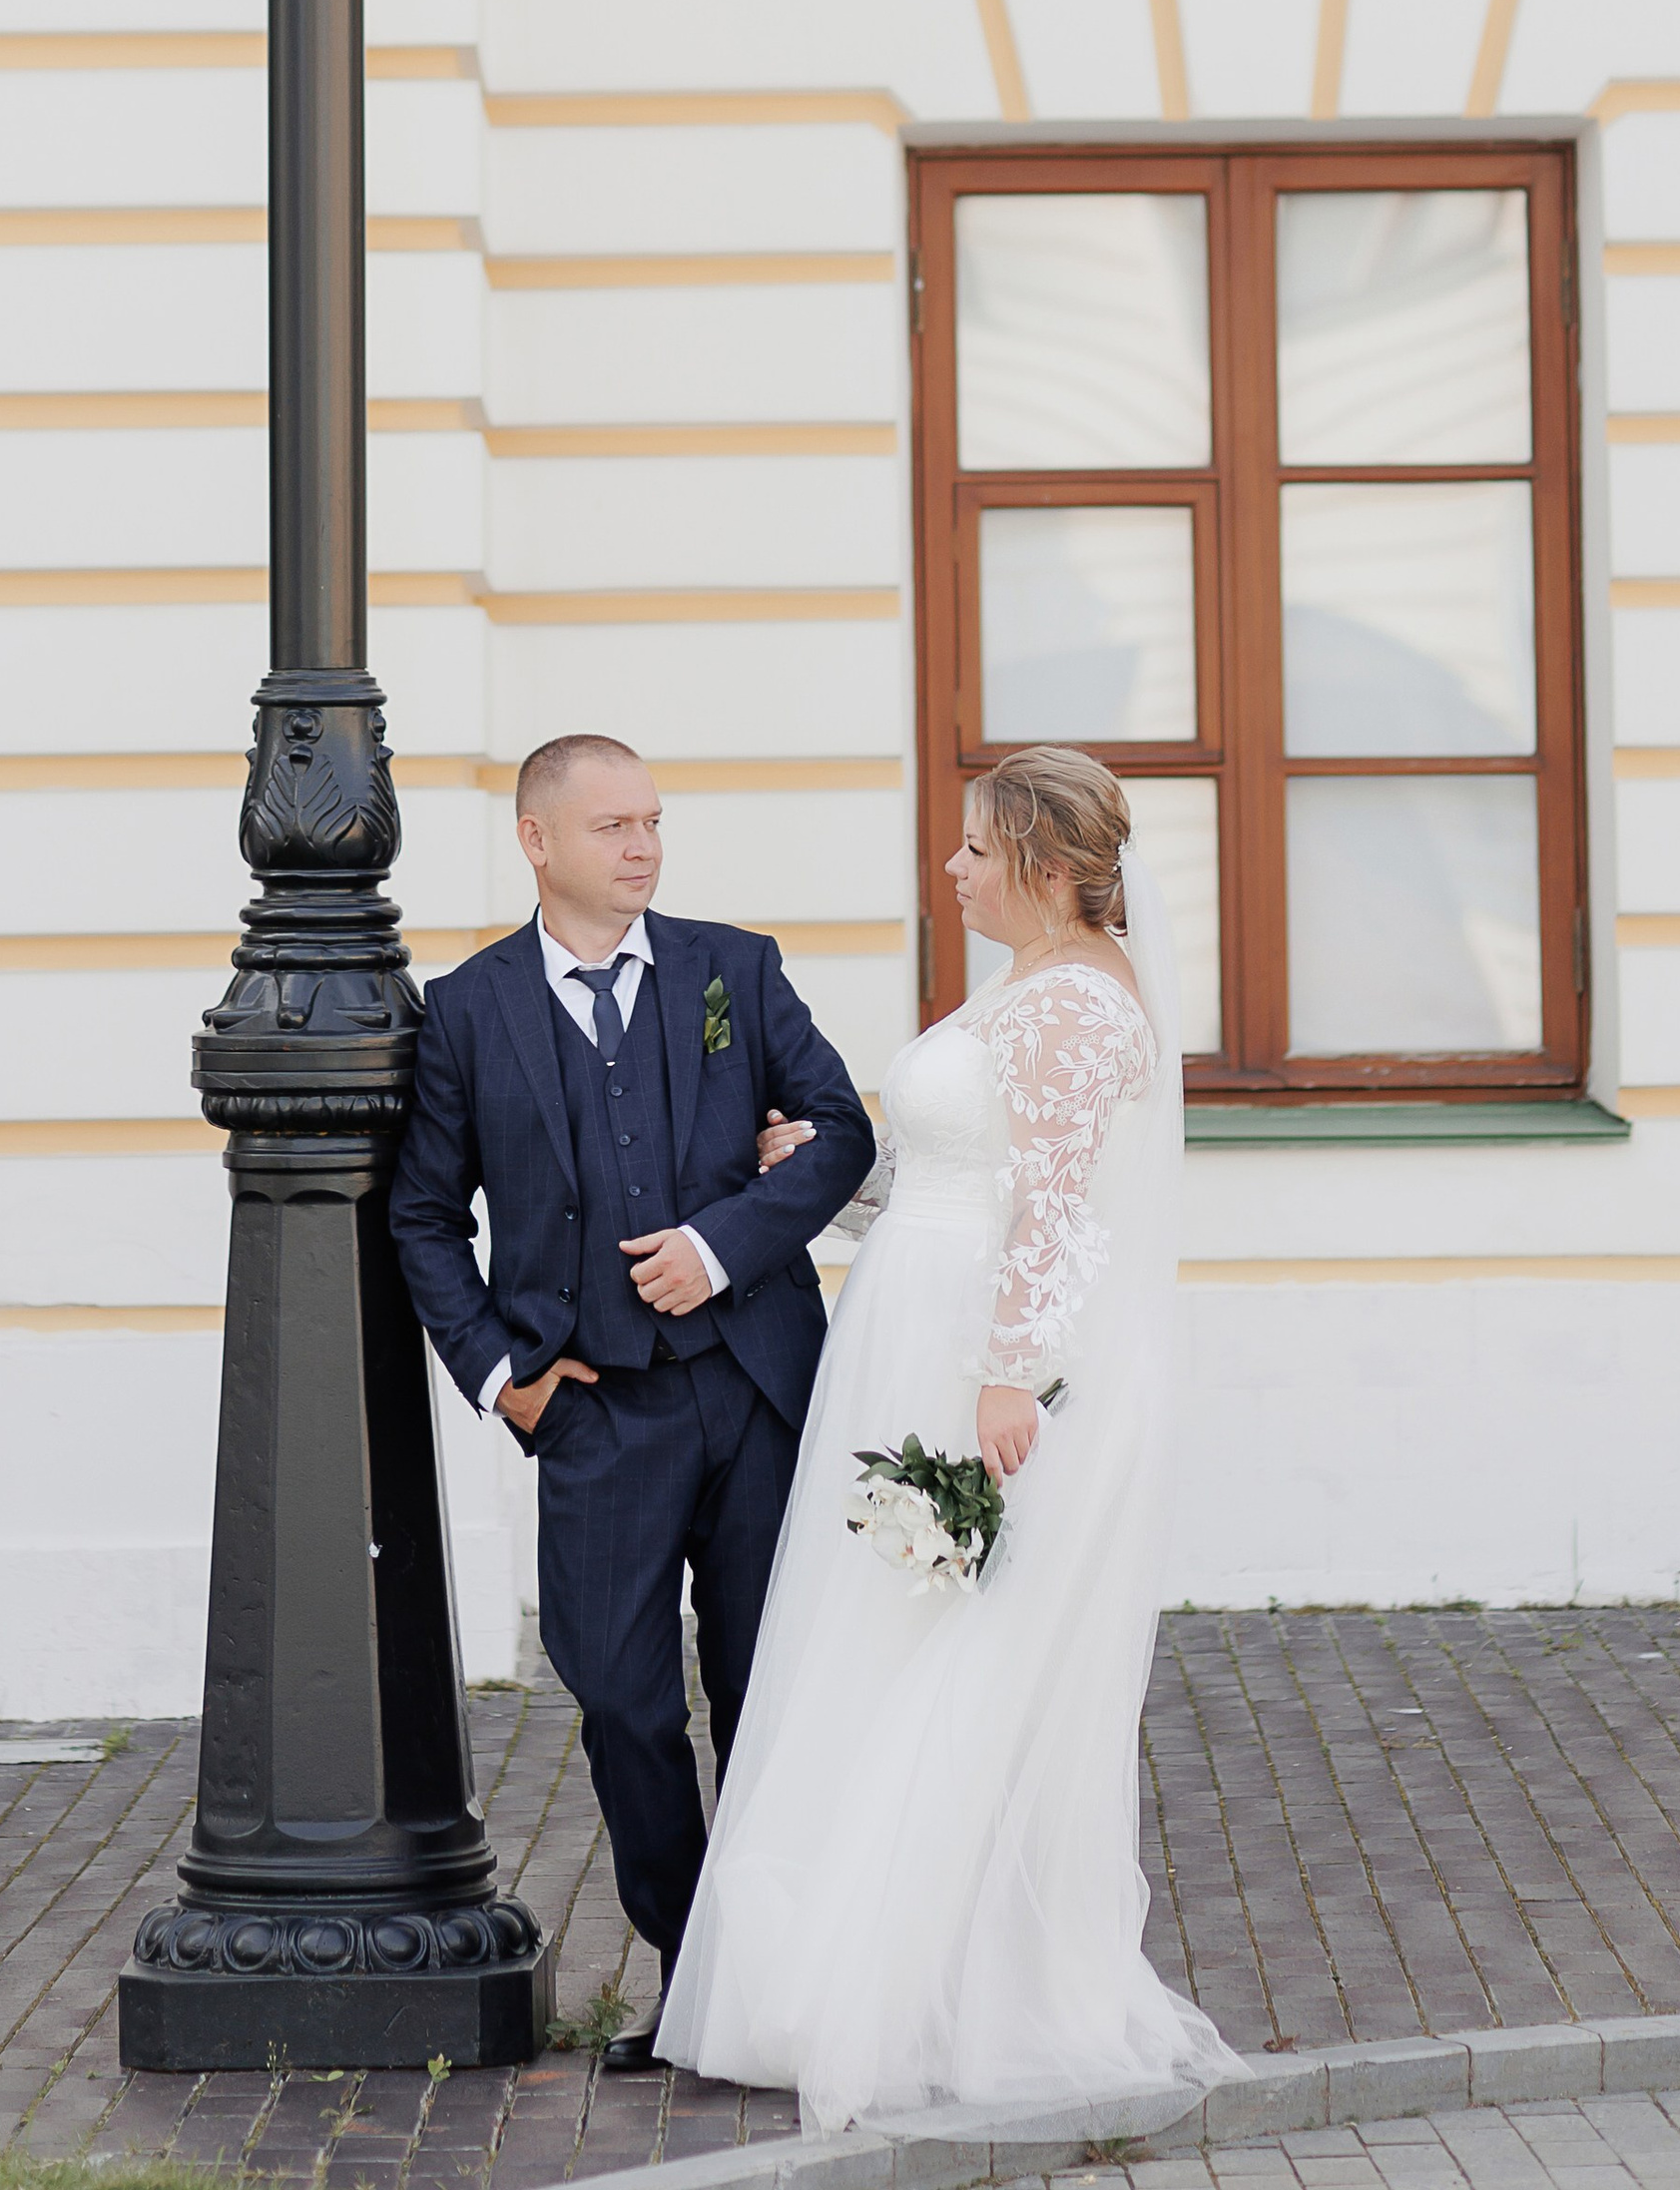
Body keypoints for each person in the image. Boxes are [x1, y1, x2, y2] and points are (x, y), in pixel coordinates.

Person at [658, 746, 1241, 2135]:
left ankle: (924, 1985)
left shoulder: (1078, 1007)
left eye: (976, 847)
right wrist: (828, 1181)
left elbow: (1054, 1203)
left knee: (954, 1649)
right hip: (918, 1324)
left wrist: (1011, 1375)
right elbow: (957, 1181)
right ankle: (856, 1968)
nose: (953, 867)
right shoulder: (1029, 987)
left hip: (975, 1356)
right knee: (888, 1633)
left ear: (1040, 861)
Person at [387, 731, 874, 2073]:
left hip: (755, 1388)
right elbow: (425, 1216)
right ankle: (689, 1949)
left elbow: (842, 1130)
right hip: (596, 1412)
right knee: (621, 1698)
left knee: (764, 1681)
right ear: (538, 840)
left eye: (654, 821)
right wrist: (508, 1376)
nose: (644, 846)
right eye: (614, 826)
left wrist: (722, 1242)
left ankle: (767, 1981)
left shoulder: (735, 967)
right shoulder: (469, 1010)